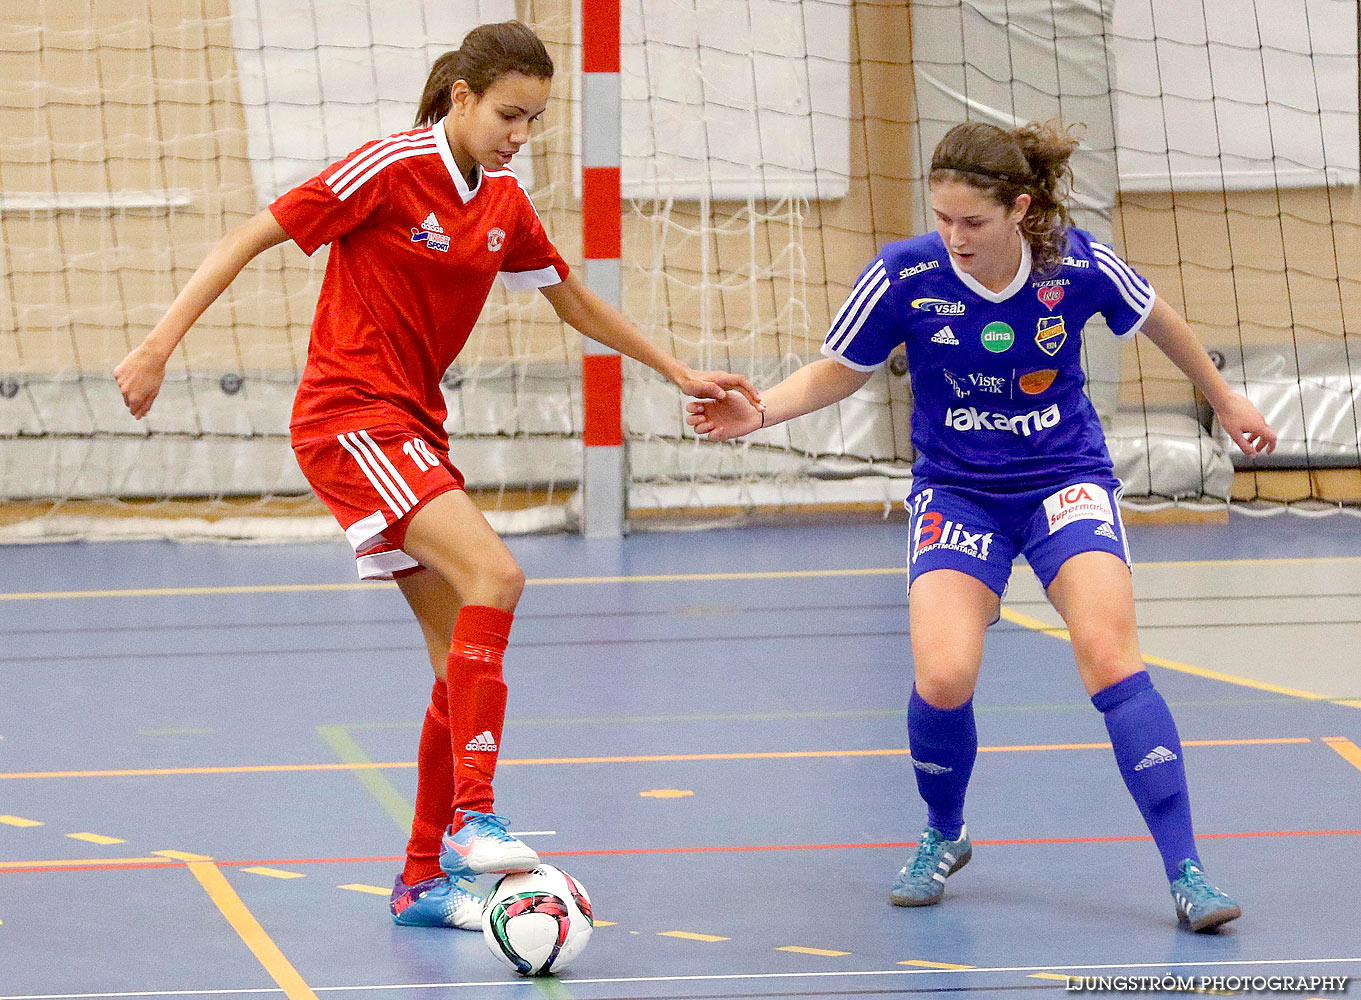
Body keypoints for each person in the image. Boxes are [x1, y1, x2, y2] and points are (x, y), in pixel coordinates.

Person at [115, 20, 759, 931]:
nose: (519, 137)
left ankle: (420, 880)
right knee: (499, 573)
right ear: (461, 96)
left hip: (414, 425)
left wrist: (676, 370)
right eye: (508, 115)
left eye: (534, 121)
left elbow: (569, 297)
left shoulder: (501, 199)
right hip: (348, 418)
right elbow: (251, 234)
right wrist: (155, 347)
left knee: (454, 662)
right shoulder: (386, 167)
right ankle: (470, 820)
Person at [686, 119, 1275, 933]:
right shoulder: (903, 274)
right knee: (943, 677)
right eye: (942, 219)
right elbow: (838, 370)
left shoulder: (1074, 261)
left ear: (1018, 209)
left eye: (973, 222)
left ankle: (1187, 872)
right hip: (957, 491)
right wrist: (757, 411)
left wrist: (1225, 399)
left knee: (1109, 658)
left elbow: (1159, 320)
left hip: (1062, 479)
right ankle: (943, 832)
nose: (955, 238)